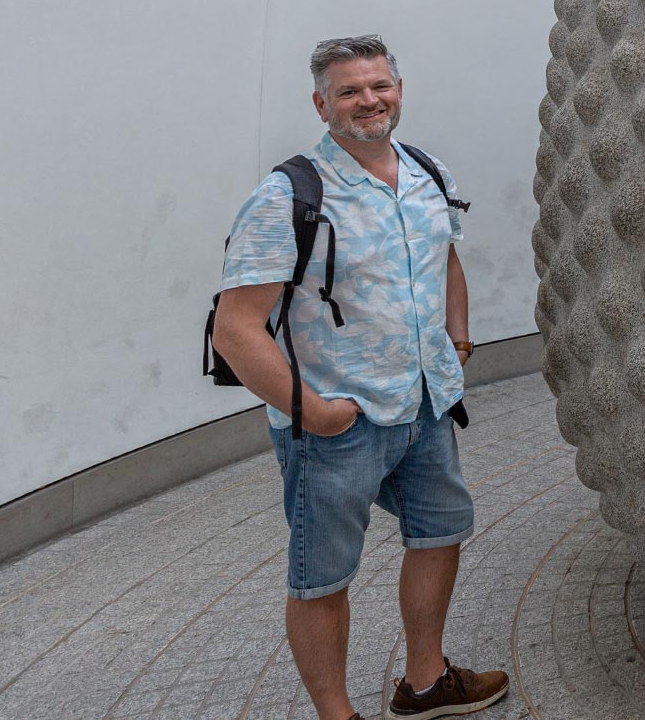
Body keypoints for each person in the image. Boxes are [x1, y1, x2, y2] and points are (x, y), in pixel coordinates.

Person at [214, 35, 508, 720]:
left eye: (380, 85)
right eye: (349, 90)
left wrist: (456, 340)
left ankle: (427, 681)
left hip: (425, 405)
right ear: (322, 104)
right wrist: (311, 410)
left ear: (398, 90)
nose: (368, 99)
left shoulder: (427, 171)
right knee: (323, 576)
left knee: (440, 532)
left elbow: (447, 261)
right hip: (337, 422)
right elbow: (234, 328)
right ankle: (336, 713)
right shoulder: (286, 194)